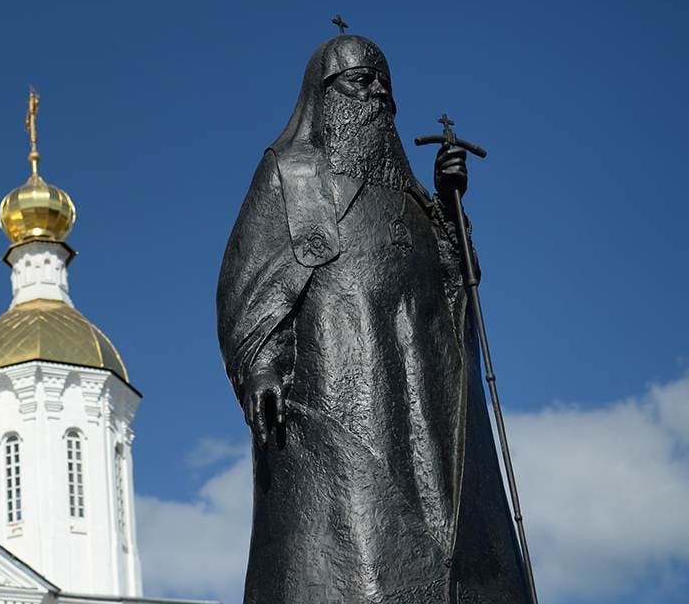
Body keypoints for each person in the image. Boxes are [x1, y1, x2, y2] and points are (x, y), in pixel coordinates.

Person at [216, 34, 532, 604]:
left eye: (385, 85)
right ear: (326, 96)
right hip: (339, 402)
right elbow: (250, 275)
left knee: (455, 551)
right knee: (357, 559)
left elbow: (461, 288)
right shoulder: (293, 175)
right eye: (363, 82)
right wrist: (260, 365)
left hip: (426, 402)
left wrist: (450, 206)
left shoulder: (414, 198)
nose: (378, 95)